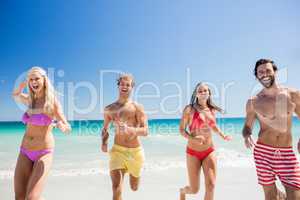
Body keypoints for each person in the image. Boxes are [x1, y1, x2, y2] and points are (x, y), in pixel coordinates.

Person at [243, 58, 300, 200]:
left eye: (268, 70)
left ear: (275, 72)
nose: (264, 74)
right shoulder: (253, 102)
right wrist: (247, 135)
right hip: (263, 152)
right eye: (260, 72)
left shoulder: (292, 94)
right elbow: (247, 126)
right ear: (257, 76)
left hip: (286, 152)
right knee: (270, 196)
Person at [13, 66, 71, 200]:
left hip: (43, 152)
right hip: (25, 151)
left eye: (37, 79)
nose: (34, 82)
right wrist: (21, 86)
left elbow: (67, 125)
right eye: (31, 79)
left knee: (32, 198)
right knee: (19, 197)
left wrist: (62, 126)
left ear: (44, 80)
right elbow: (15, 95)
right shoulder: (30, 100)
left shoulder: (52, 102)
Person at [179, 82, 231, 200]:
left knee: (211, 185)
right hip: (193, 152)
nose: (203, 93)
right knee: (194, 189)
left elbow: (213, 126)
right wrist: (193, 138)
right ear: (196, 94)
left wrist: (223, 135)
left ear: (209, 93)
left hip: (209, 151)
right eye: (200, 91)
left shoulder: (212, 110)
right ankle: (182, 191)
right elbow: (181, 130)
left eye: (205, 91)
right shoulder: (189, 109)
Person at [100, 73, 148, 200]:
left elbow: (145, 131)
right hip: (117, 151)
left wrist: (129, 129)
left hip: (135, 153)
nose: (125, 86)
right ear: (118, 86)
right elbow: (104, 129)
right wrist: (104, 143)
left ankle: (133, 173)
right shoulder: (109, 109)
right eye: (122, 84)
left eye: (128, 84)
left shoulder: (137, 107)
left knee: (134, 187)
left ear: (132, 87)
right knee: (116, 187)